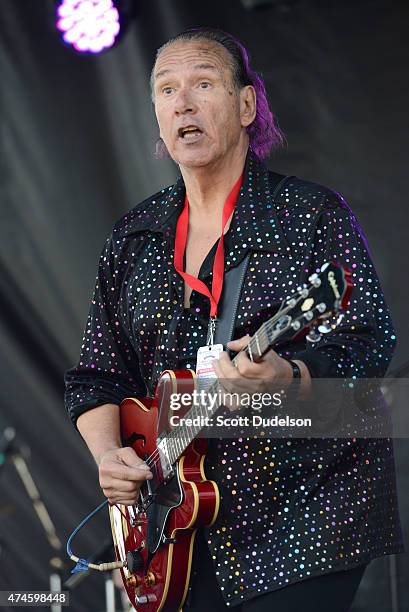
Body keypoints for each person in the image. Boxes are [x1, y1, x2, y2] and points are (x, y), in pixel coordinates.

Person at [65, 28, 403, 611]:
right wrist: (107, 456)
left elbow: (370, 341)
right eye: (166, 90)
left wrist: (290, 378)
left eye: (202, 84)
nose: (183, 103)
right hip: (180, 526)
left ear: (247, 105)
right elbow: (97, 374)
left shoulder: (309, 214)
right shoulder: (133, 237)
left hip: (305, 517)